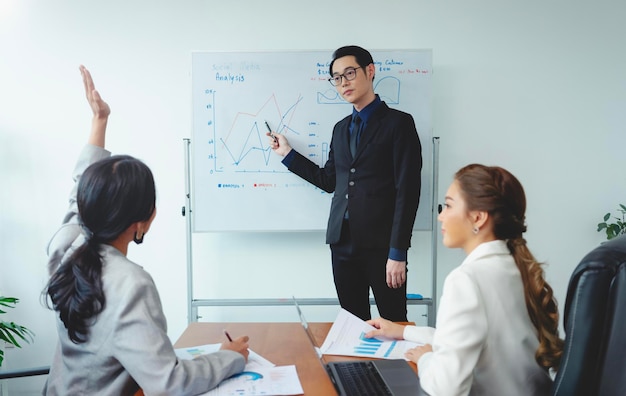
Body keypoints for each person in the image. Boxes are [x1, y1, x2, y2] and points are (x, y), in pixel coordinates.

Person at [42, 65, 249, 395]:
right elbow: (169, 383)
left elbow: (79, 190)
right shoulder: (130, 284)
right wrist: (229, 358)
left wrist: (100, 120)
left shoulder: (66, 246)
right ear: (145, 220)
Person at [365, 164, 564, 395]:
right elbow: (466, 341)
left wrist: (426, 358)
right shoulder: (516, 266)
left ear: (478, 218)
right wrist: (403, 332)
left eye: (448, 205)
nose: (441, 216)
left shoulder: (467, 280)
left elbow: (445, 389)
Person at [268, 45, 422, 322]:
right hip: (342, 241)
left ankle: (396, 367)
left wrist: (398, 253)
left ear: (370, 71)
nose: (343, 83)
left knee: (393, 322)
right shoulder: (341, 128)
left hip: (383, 246)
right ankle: (356, 368)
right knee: (352, 324)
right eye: (337, 78)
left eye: (349, 73)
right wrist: (288, 154)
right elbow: (329, 181)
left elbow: (407, 192)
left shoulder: (398, 124)